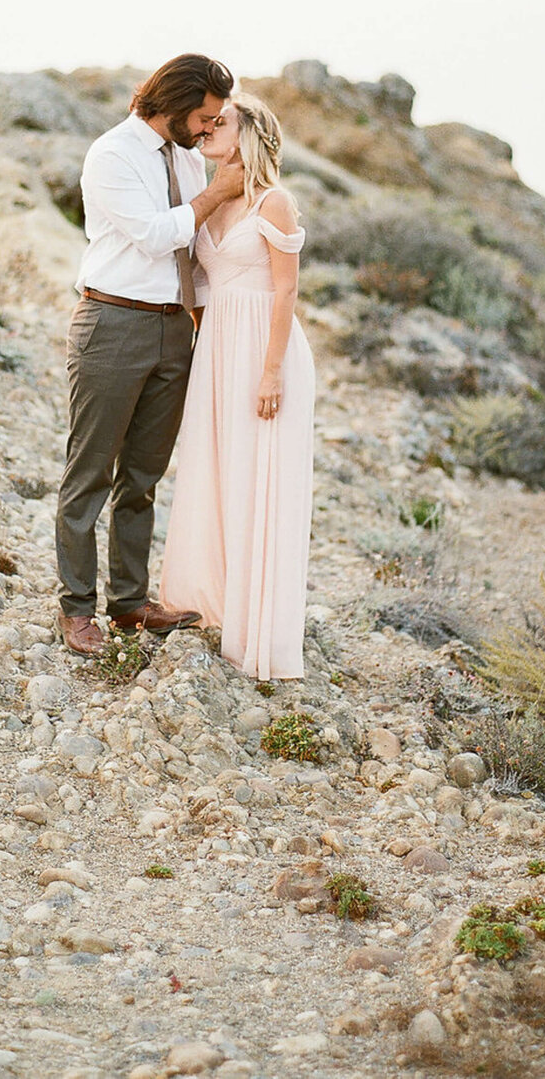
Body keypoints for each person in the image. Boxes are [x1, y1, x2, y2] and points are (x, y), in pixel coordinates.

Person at [55, 53, 244, 657]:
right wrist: (215, 195)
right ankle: (77, 610)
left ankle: (130, 603)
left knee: (143, 477)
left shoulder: (189, 160)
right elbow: (157, 234)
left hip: (173, 331)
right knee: (90, 475)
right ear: (178, 105)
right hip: (112, 324)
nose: (210, 129)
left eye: (217, 120)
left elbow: (197, 252)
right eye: (206, 117)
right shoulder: (112, 154)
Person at [159, 95, 315, 680]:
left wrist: (270, 369)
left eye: (218, 123)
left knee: (259, 479)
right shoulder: (211, 197)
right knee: (214, 469)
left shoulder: (275, 201)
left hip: (264, 353)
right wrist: (206, 343)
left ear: (248, 132)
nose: (205, 130)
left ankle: (258, 634)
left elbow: (286, 291)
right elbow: (198, 285)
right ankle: (210, 603)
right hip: (217, 350)